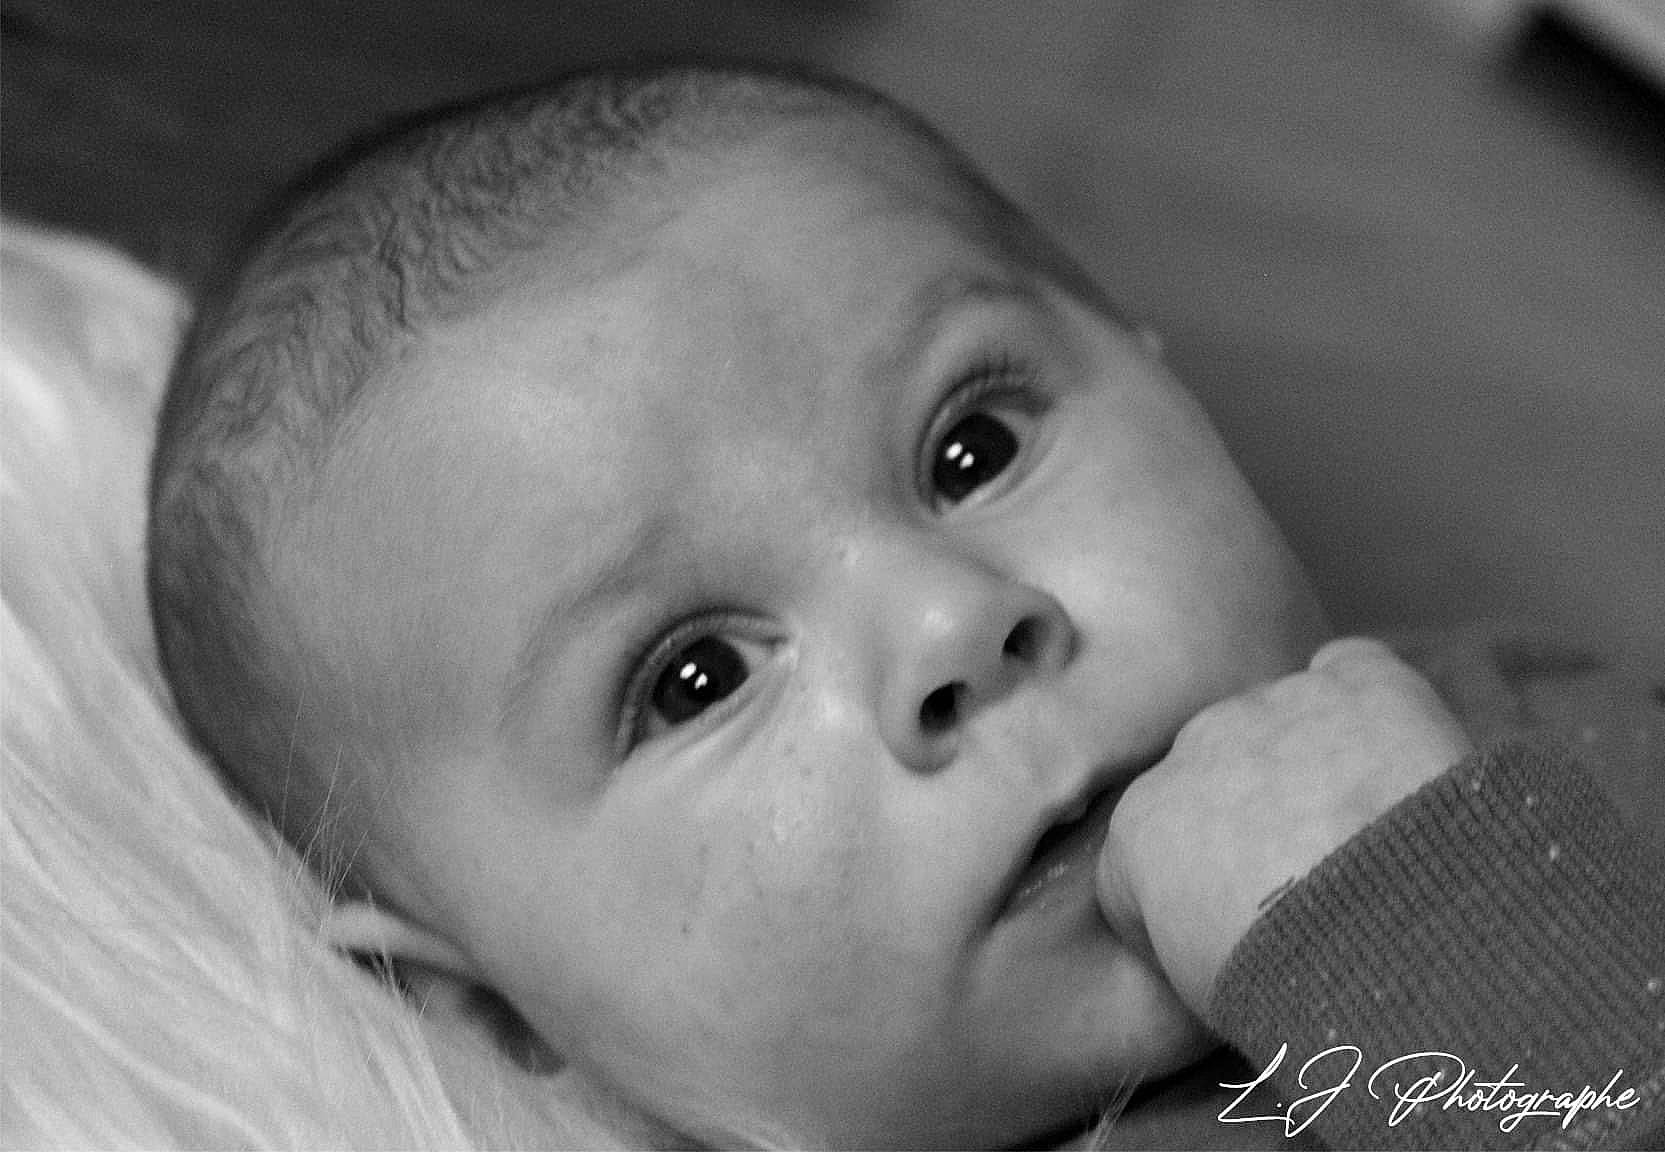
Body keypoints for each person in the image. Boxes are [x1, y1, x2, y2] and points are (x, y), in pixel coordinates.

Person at [146, 62, 1665, 1148]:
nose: (952, 625)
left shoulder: (1543, 737)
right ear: (494, 1012)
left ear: (1155, 362)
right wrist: (1431, 948)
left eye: (970, 447)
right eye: (691, 679)